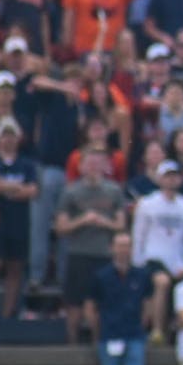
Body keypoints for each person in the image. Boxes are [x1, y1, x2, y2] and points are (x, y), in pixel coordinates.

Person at [55, 147, 127, 344]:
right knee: (74, 305)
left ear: (105, 166)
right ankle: (72, 345)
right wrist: (83, 220)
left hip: (104, 255)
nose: (94, 167)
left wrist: (105, 222)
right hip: (78, 254)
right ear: (81, 166)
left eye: (98, 163)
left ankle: (100, 345)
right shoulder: (70, 191)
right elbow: (60, 227)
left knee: (102, 305)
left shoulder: (114, 191)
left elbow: (121, 225)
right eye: (90, 163)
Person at [84, 232, 152, 365]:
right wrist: (97, 333)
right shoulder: (101, 276)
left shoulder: (142, 275)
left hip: (134, 338)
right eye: (120, 246)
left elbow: (148, 303)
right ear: (112, 248)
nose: (124, 250)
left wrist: (145, 324)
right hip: (109, 338)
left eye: (127, 246)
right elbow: (90, 306)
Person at [131, 160, 183, 338]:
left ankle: (177, 331)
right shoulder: (147, 204)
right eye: (167, 176)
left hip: (177, 261)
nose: (171, 180)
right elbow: (139, 235)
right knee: (162, 282)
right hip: (152, 258)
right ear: (160, 179)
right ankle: (157, 330)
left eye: (174, 176)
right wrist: (137, 262)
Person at [0, 118, 37, 320]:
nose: (8, 140)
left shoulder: (26, 163)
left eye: (12, 135)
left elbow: (32, 190)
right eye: (4, 135)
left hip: (18, 220)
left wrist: (4, 187)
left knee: (15, 267)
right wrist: (14, 188)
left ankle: (7, 314)